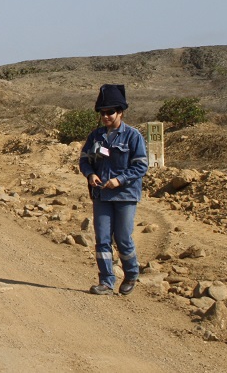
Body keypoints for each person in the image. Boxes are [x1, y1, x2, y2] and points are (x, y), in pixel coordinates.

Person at [79, 84, 149, 296]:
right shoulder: (96, 136)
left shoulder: (133, 136)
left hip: (125, 196)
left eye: (110, 112)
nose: (106, 116)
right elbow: (84, 160)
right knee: (102, 239)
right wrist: (90, 174)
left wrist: (120, 180)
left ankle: (131, 274)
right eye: (103, 113)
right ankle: (106, 282)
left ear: (120, 112)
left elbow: (141, 165)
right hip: (101, 195)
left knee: (123, 238)